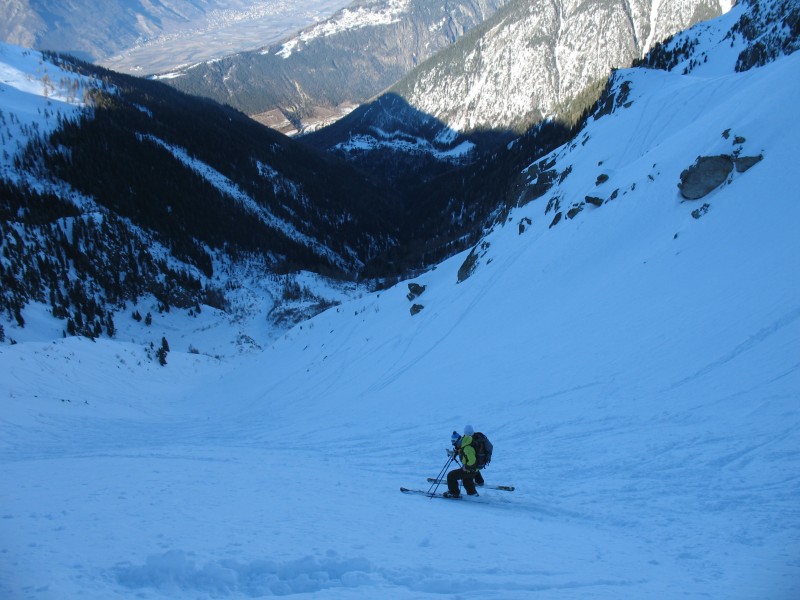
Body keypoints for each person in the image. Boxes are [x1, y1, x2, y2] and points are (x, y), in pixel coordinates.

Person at [443, 424, 483, 498]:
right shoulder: (465, 442)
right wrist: (454, 453)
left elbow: (472, 461)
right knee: (467, 480)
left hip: (470, 469)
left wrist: (466, 467)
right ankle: (473, 494)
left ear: (458, 441)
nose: (454, 445)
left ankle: (454, 493)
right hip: (474, 470)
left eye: (454, 443)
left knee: (451, 476)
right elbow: (461, 450)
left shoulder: (467, 447)